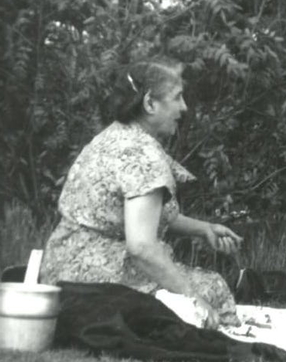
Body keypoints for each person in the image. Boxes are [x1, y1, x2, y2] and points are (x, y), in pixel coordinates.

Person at [40, 58, 243, 329]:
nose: (184, 107)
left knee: (201, 285)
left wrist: (204, 228)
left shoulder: (115, 136)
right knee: (212, 288)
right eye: (177, 97)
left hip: (58, 270)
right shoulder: (143, 157)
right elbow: (143, 248)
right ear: (149, 103)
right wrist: (194, 299)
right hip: (90, 283)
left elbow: (140, 217)